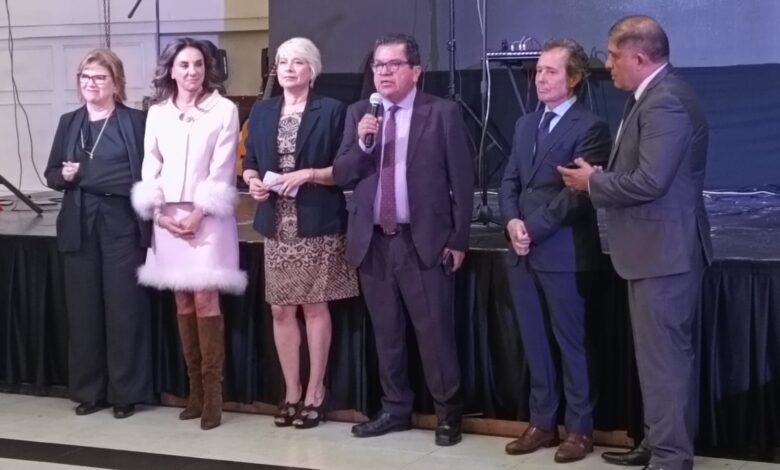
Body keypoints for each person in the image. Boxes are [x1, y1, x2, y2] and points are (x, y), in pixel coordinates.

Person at [558, 16, 712, 470]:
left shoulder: (665, 102)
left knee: (666, 363)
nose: (607, 65)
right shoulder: (649, 96)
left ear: (639, 58)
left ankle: (670, 458)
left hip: (664, 255)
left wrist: (593, 183)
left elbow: (650, 181)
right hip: (652, 253)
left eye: (613, 56)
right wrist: (601, 177)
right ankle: (659, 443)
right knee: (656, 361)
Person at [333, 33, 474, 446]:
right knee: (387, 333)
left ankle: (448, 414)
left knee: (434, 334)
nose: (384, 72)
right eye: (378, 65)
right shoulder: (360, 113)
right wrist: (364, 143)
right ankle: (395, 408)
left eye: (393, 64)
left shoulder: (441, 113)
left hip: (422, 241)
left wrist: (459, 239)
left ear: (415, 71)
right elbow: (342, 173)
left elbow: (463, 181)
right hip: (373, 242)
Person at [499, 38, 611, 463]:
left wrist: (532, 227)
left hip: (562, 251)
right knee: (535, 341)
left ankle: (580, 429)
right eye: (538, 71)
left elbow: (576, 195)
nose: (540, 78)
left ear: (574, 78)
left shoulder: (590, 127)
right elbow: (510, 180)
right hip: (522, 250)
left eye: (550, 71)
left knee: (571, 343)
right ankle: (542, 422)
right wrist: (512, 222)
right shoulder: (525, 124)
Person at [242, 37, 358, 429]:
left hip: (316, 220)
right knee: (281, 308)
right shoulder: (262, 111)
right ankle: (291, 391)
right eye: (283, 62)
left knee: (313, 306)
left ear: (312, 70)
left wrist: (307, 174)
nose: (288, 69)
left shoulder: (332, 110)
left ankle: (315, 391)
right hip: (277, 223)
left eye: (297, 63)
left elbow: (344, 170)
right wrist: (253, 182)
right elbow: (250, 162)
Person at [131, 37, 246, 430]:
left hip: (207, 217)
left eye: (198, 64)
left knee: (205, 296)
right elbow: (150, 166)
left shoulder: (224, 110)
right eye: (184, 65)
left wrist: (199, 213)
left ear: (207, 69)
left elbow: (222, 167)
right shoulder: (157, 113)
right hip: (167, 216)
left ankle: (213, 394)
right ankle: (193, 390)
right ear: (171, 70)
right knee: (181, 299)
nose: (192, 71)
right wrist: (158, 214)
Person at [44, 48, 154, 420]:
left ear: (116, 82)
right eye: (85, 77)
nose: (91, 83)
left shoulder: (135, 121)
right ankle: (89, 391)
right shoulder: (69, 122)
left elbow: (136, 177)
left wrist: (85, 174)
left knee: (124, 310)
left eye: (99, 77)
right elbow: (52, 174)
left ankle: (125, 393)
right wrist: (67, 176)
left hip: (121, 225)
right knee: (84, 312)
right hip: (79, 224)